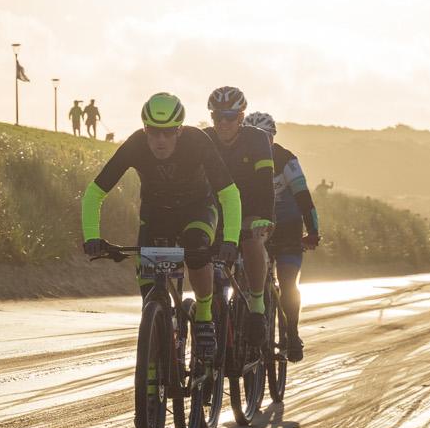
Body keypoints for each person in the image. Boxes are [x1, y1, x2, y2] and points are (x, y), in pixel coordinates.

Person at [81, 93, 243, 362]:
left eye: (168, 133)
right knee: (150, 297)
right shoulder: (135, 145)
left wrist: (231, 241)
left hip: (198, 210)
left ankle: (203, 317)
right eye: (153, 132)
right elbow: (94, 193)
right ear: (145, 128)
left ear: (180, 130)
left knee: (196, 247)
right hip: (156, 214)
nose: (160, 140)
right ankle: (160, 332)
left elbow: (229, 194)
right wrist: (92, 236)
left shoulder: (197, 142)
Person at [202, 86, 276, 343]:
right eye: (217, 116)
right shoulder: (204, 138)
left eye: (229, 117)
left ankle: (257, 307)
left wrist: (264, 217)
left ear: (241, 117)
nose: (223, 123)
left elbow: (266, 182)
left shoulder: (256, 139)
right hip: (217, 208)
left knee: (252, 240)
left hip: (251, 206)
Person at [245, 112, 321, 361]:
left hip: (287, 226)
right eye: (252, 137)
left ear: (273, 138)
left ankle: (291, 331)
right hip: (256, 224)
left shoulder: (287, 160)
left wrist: (312, 232)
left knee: (288, 283)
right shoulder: (241, 159)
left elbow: (304, 199)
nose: (259, 143)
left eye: (264, 138)